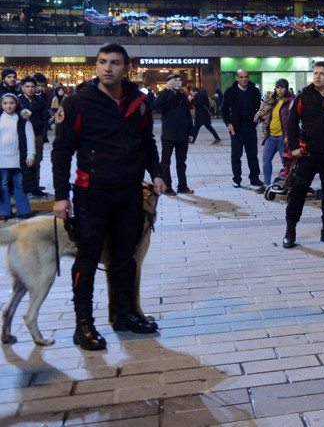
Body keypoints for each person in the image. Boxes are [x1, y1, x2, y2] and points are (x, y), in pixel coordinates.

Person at [52, 43, 165, 351]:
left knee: (124, 257)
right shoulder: (78, 103)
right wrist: (61, 196)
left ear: (125, 66)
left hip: (129, 192)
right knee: (87, 259)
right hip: (92, 193)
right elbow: (61, 151)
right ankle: (83, 324)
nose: (107, 68)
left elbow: (147, 143)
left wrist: (156, 174)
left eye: (114, 62)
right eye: (102, 62)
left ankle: (125, 314)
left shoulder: (139, 103)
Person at [282, 61, 324, 249]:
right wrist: (294, 147)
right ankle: (290, 231)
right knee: (297, 193)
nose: (317, 76)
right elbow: (292, 123)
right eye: (315, 73)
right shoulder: (304, 96)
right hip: (307, 154)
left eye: (322, 73)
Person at [222, 69, 263, 188]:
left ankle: (254, 178)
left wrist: (258, 120)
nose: (244, 79)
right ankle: (237, 179)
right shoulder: (230, 91)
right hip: (236, 128)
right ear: (237, 78)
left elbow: (260, 108)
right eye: (241, 77)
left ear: (248, 78)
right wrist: (229, 124)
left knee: (252, 155)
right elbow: (224, 109)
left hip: (250, 127)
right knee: (236, 155)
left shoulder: (254, 91)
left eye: (246, 77)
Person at [155, 74, 194, 195]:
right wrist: (166, 90)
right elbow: (156, 106)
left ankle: (182, 186)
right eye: (174, 81)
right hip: (169, 134)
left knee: (181, 162)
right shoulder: (164, 95)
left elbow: (188, 115)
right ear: (169, 83)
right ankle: (167, 187)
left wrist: (191, 132)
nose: (177, 83)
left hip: (182, 135)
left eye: (179, 81)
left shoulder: (183, 96)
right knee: (166, 162)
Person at [0, 93, 34, 221]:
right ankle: (4, 210)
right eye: (5, 103)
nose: (8, 106)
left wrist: (31, 155)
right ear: (1, 105)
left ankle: (23, 210)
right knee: (3, 185)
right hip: (2, 158)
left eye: (11, 103)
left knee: (20, 184)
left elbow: (29, 137)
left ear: (17, 104)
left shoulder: (22, 119)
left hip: (18, 158)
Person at [254, 78, 294, 187]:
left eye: (282, 87)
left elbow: (292, 120)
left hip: (282, 137)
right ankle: (267, 184)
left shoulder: (291, 101)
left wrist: (289, 135)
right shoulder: (273, 100)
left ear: (286, 88)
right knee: (266, 160)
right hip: (271, 136)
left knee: (286, 162)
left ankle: (287, 184)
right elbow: (267, 115)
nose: (280, 90)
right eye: (278, 87)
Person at [16, 76, 50, 197]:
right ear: (23, 88)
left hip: (37, 135)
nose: (30, 89)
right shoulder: (18, 101)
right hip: (21, 137)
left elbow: (45, 117)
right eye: (27, 87)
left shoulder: (40, 100)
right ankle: (23, 187)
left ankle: (35, 187)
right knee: (22, 163)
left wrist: (43, 132)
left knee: (36, 162)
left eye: (32, 87)